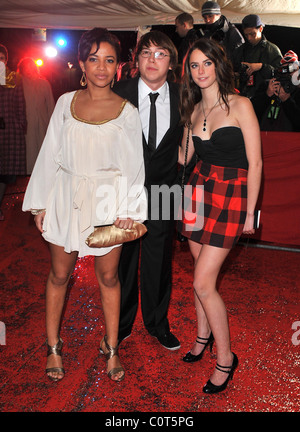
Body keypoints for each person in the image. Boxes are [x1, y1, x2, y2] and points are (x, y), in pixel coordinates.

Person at [22, 28, 147, 383]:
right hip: (65, 196)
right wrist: (40, 203)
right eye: (94, 59)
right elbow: (49, 155)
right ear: (81, 63)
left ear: (119, 67)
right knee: (59, 275)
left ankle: (111, 348)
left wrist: (130, 210)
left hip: (109, 203)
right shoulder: (65, 102)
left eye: (109, 60)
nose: (102, 68)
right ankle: (53, 347)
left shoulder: (128, 112)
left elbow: (134, 166)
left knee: (109, 278)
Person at [177, 38, 262, 394]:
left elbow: (256, 162)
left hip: (233, 195)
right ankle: (202, 337)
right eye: (194, 66)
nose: (200, 71)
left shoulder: (241, 104)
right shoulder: (194, 111)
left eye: (206, 64)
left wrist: (250, 213)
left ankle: (226, 358)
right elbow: (183, 159)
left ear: (218, 65)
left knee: (202, 282)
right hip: (198, 192)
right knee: (199, 274)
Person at [113, 31, 183, 350]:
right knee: (124, 260)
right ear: (136, 60)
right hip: (123, 191)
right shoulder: (118, 92)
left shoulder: (184, 97)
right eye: (146, 53)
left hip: (165, 193)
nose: (152, 60)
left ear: (171, 62)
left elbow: (189, 142)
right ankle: (121, 324)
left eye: (160, 54)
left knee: (158, 261)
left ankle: (157, 323)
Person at [0, 43, 26, 221]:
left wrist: (21, 125)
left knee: (5, 174)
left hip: (8, 132)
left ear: (6, 59)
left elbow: (20, 105)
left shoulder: (14, 77)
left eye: (1, 58)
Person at [17, 57, 55, 174]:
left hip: (43, 124)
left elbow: (51, 106)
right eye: (26, 68)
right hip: (26, 125)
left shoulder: (44, 84)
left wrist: (52, 126)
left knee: (42, 152)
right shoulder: (18, 84)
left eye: (31, 67)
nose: (29, 70)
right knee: (29, 152)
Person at [232, 14, 282, 99]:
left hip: (265, 98)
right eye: (246, 35)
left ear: (261, 29)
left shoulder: (272, 50)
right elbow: (233, 69)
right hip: (244, 96)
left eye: (252, 34)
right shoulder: (241, 50)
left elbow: (280, 74)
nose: (249, 38)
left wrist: (261, 67)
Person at [251, 50, 300, 131]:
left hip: (292, 140)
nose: (288, 73)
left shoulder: (298, 91)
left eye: (292, 69)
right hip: (265, 135)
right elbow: (251, 112)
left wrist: (287, 101)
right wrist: (267, 95)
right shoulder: (269, 85)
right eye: (284, 69)